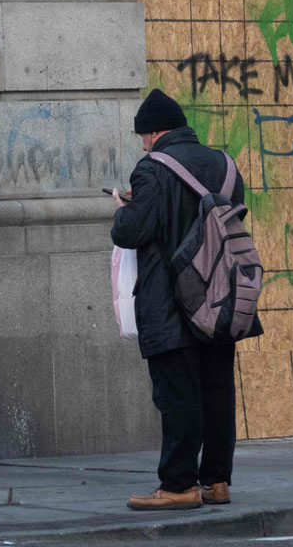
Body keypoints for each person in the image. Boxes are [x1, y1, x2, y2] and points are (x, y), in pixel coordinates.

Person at [109, 88, 263, 511]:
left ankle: (179, 484)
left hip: (171, 301)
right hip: (220, 297)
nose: (143, 145)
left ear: (155, 133)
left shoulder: (151, 170)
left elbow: (131, 232)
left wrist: (123, 209)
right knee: (216, 390)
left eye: (143, 137)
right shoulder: (225, 165)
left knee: (178, 395)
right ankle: (216, 481)